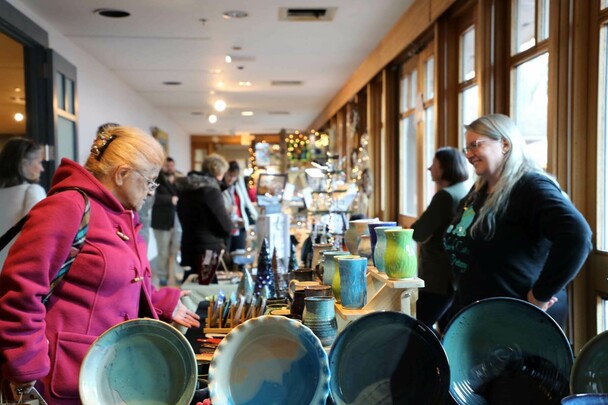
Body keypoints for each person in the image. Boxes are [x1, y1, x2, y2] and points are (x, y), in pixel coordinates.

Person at [0, 126, 200, 404]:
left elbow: (114, 283)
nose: (152, 191)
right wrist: (26, 369)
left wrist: (163, 300)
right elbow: (19, 292)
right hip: (59, 381)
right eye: (150, 181)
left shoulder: (120, 215)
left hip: (106, 376)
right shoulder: (67, 206)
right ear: (121, 174)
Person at [444, 114, 592, 328]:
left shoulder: (530, 186)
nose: (469, 155)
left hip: (517, 323)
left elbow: (577, 236)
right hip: (479, 317)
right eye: (466, 149)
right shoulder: (479, 190)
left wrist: (539, 296)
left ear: (505, 144)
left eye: (475, 145)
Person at [411, 147, 469, 333]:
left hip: (437, 276)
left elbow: (418, 232)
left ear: (445, 167)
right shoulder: (463, 191)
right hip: (452, 275)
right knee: (447, 328)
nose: (429, 168)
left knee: (419, 328)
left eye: (434, 163)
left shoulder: (445, 196)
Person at [177, 154, 234, 283]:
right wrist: (231, 226)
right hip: (207, 249)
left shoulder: (186, 189)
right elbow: (224, 224)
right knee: (207, 290)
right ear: (218, 172)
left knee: (191, 285)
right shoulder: (211, 191)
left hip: (189, 244)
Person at [0, 138, 46, 273]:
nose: (42, 168)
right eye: (39, 162)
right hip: (14, 272)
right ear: (24, 163)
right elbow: (40, 236)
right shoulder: (32, 191)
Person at [151, 157, 181, 286]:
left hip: (176, 220)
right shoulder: (156, 179)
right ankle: (162, 276)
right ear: (164, 167)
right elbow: (153, 197)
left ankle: (175, 274)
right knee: (163, 251)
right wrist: (169, 199)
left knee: (175, 249)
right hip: (161, 221)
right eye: (168, 166)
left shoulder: (178, 179)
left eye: (172, 166)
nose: (170, 168)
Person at [222, 161, 258, 264]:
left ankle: (239, 275)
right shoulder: (221, 188)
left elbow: (246, 201)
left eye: (234, 176)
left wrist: (255, 216)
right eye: (230, 175)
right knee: (227, 256)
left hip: (240, 224)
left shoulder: (238, 186)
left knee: (239, 255)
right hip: (228, 225)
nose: (231, 179)